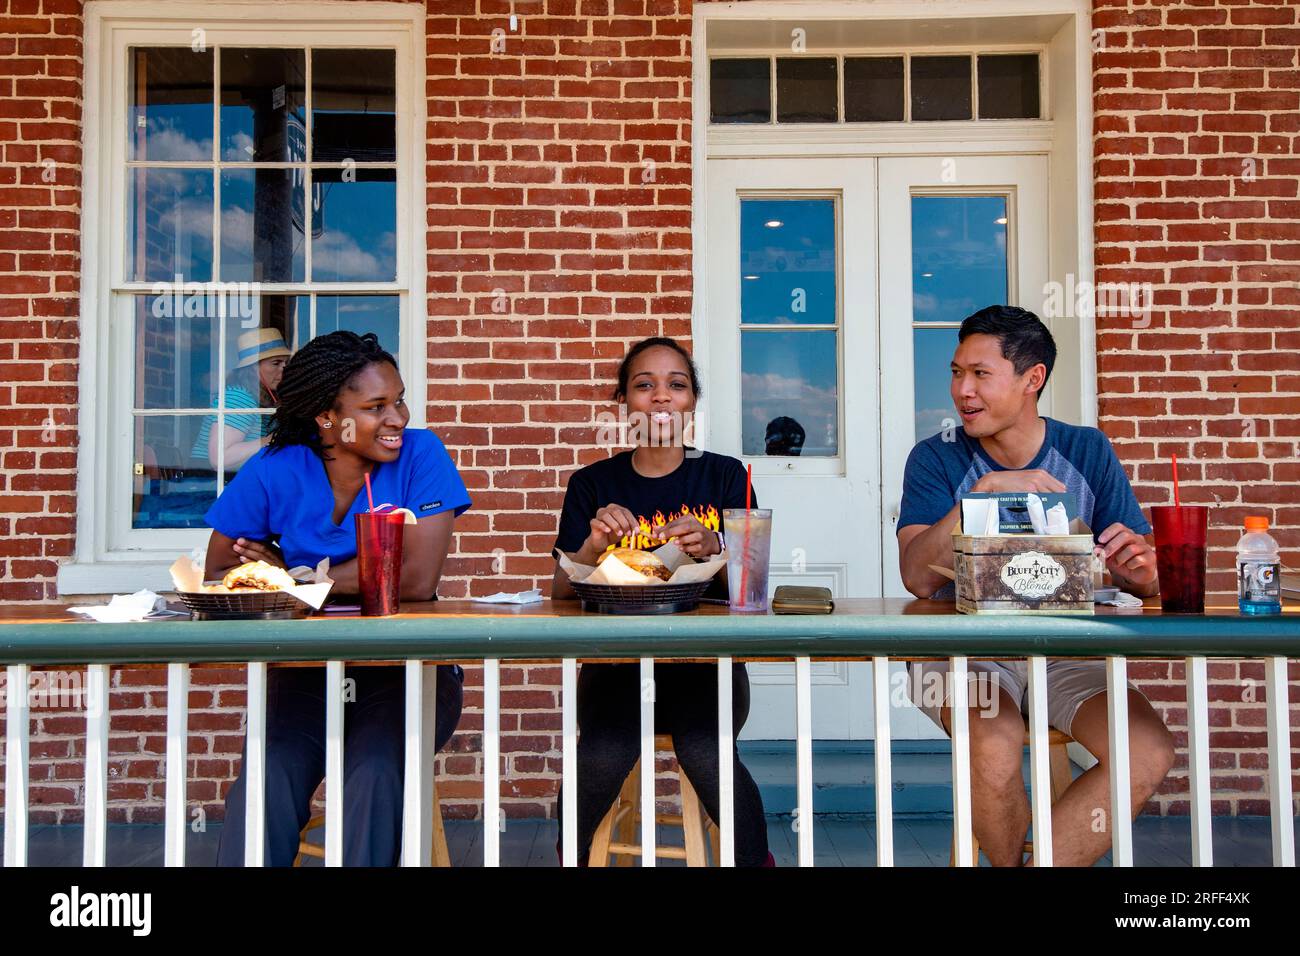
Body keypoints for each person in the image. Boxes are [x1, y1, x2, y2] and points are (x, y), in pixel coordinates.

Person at [896, 305, 1175, 866]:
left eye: (980, 374)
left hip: (1065, 648)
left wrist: (1142, 572)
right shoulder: (935, 457)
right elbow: (918, 578)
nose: (962, 391)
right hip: (960, 654)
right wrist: (983, 494)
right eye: (956, 372)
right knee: (993, 745)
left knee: (1146, 751)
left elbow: (1142, 578)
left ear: (1033, 379)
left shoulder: (1087, 449)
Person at [204, 330, 470, 866]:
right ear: (328, 417)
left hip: (405, 669)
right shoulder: (276, 468)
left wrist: (297, 579)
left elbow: (414, 578)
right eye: (376, 407)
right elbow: (219, 571)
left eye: (398, 400)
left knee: (371, 774)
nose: (397, 417)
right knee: (267, 775)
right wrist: (304, 577)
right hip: (307, 669)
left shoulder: (422, 454)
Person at [550, 336, 773, 867]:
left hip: (706, 667)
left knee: (706, 750)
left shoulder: (725, 476)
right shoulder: (592, 483)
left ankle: (758, 861)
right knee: (604, 749)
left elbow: (753, 587)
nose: (660, 397)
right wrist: (593, 546)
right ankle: (568, 855)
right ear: (623, 402)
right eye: (643, 385)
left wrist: (717, 547)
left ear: (693, 400)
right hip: (616, 666)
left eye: (676, 385)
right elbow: (560, 593)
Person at [193, 327, 292, 472]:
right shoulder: (238, 397)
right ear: (253, 368)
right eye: (276, 363)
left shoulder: (259, 396)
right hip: (209, 484)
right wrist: (274, 439)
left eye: (285, 363)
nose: (284, 369)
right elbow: (221, 458)